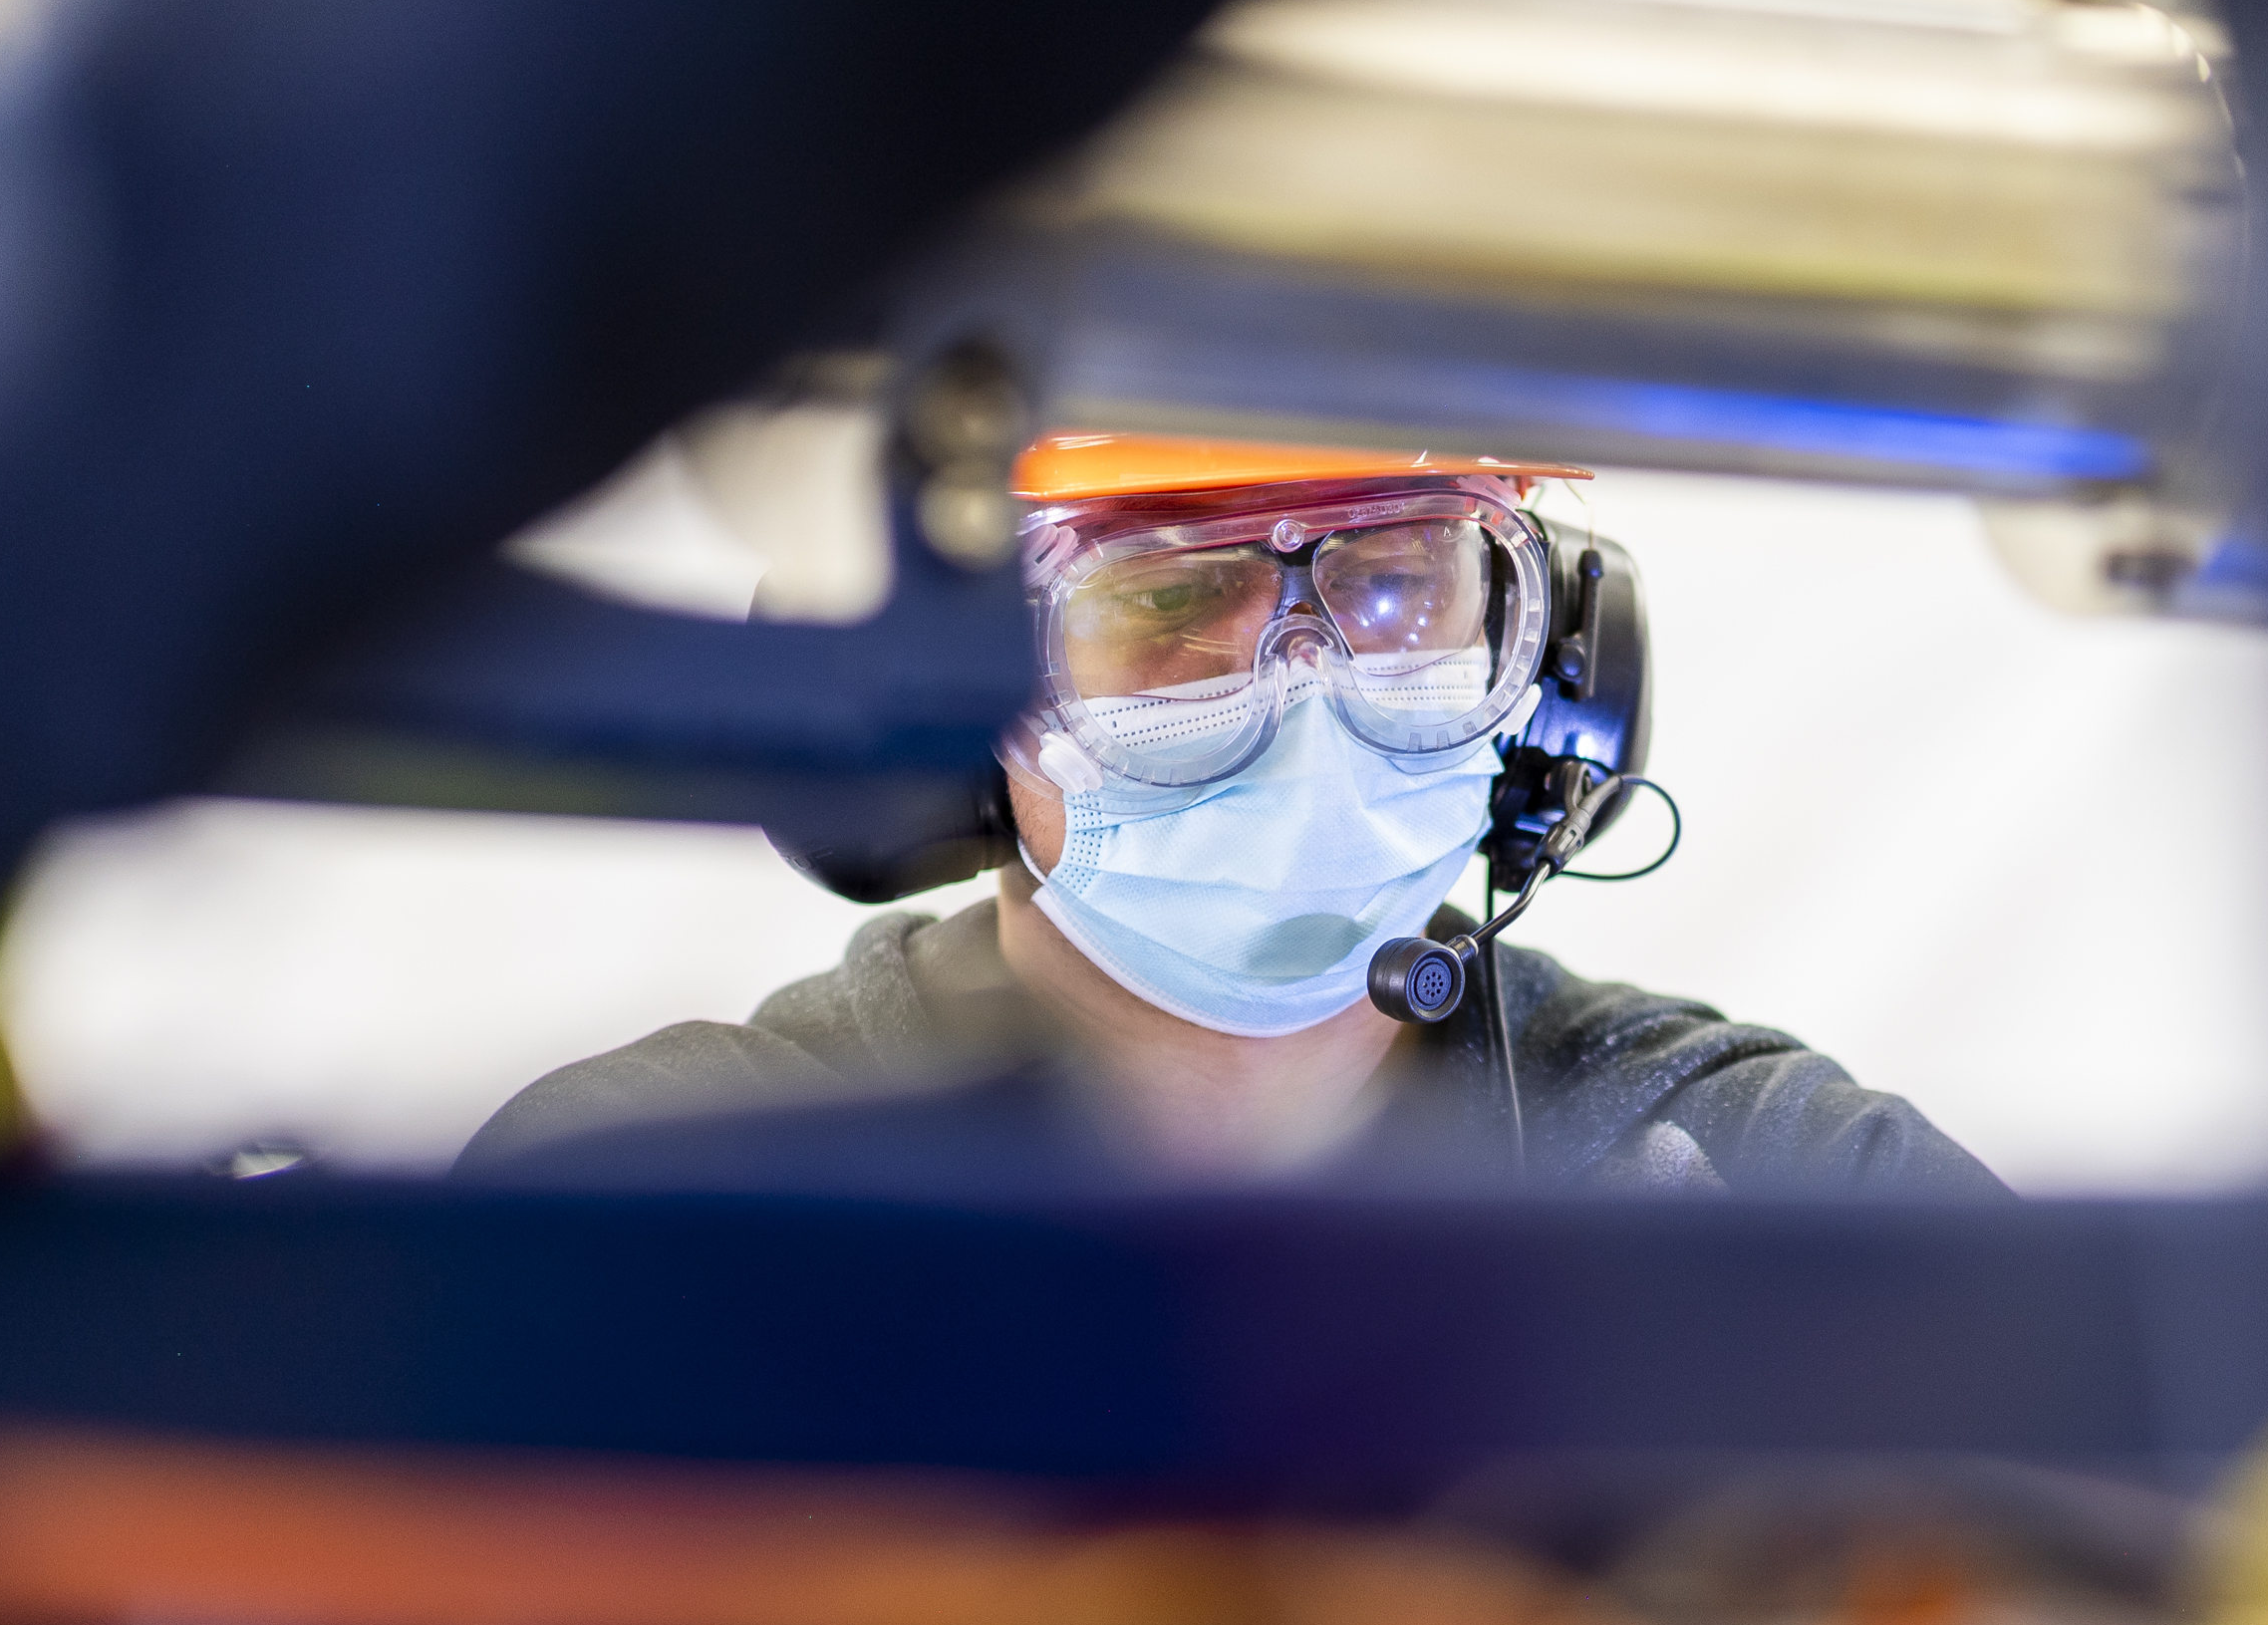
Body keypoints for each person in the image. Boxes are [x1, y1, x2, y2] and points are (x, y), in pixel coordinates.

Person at [461, 435, 2008, 1198]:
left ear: (1555, 667)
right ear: (949, 714)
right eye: (1164, 606)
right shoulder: (650, 1195)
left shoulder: (1767, 1179)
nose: (1307, 687)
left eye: (1400, 584)